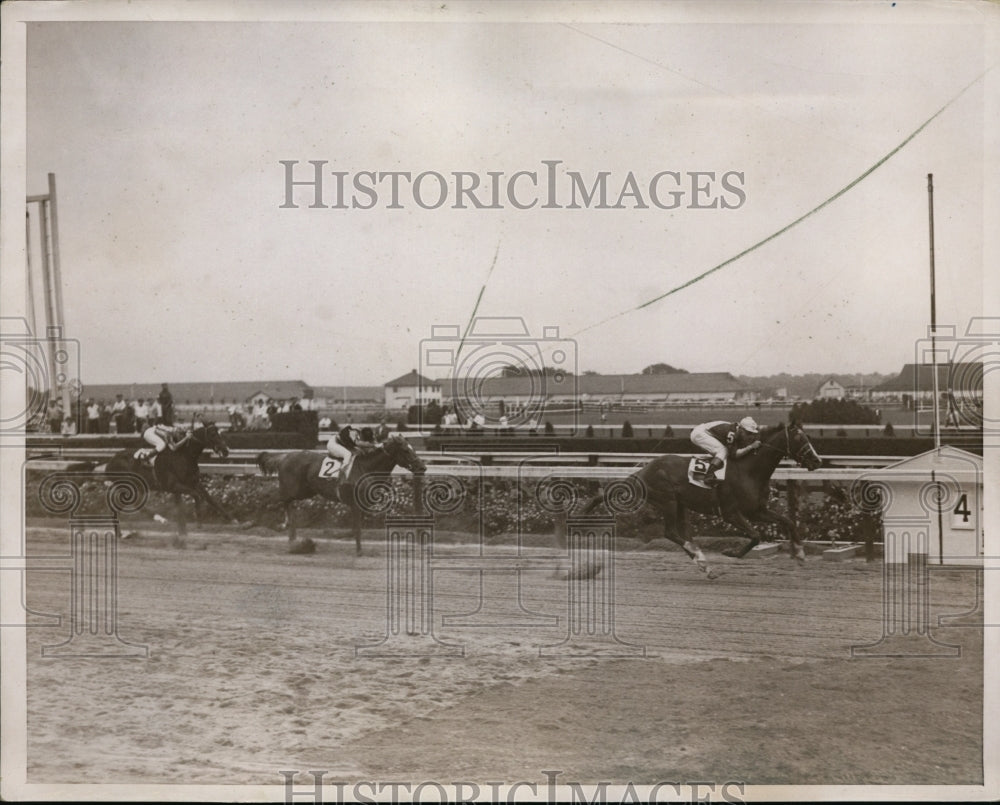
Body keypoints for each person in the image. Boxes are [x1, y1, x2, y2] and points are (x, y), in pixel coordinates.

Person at [689, 416, 762, 487]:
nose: (748, 435)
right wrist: (751, 446)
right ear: (741, 429)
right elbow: (734, 455)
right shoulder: (732, 434)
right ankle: (708, 476)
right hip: (699, 434)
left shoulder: (737, 429)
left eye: (750, 433)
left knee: (722, 454)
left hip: (703, 431)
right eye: (748, 432)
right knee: (723, 451)